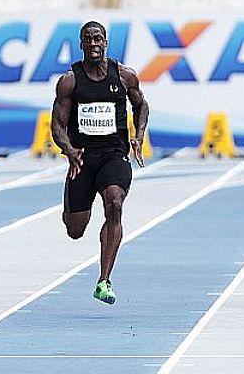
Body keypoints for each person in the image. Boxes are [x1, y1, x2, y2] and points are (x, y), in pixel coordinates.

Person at [51, 21, 149, 304]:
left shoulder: (124, 76)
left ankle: (104, 280)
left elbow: (141, 105)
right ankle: (72, 210)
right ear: (81, 44)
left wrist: (138, 136)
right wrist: (68, 149)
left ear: (106, 42)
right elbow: (57, 125)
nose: (94, 43)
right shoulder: (70, 81)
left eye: (98, 38)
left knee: (114, 203)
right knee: (75, 230)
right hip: (81, 160)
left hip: (113, 155)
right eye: (88, 39)